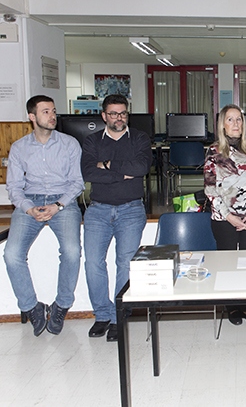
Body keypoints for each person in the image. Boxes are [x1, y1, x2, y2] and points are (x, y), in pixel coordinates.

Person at [4, 95, 84, 337]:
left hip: (63, 202)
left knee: (72, 251)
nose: (52, 116)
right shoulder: (19, 148)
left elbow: (77, 183)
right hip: (30, 202)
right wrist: (28, 208)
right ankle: (31, 307)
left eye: (53, 111)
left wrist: (58, 205)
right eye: (46, 111)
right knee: (11, 254)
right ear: (32, 116)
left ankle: (62, 305)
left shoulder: (70, 144)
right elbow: (14, 187)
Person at [81, 94, 152, 342]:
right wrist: (122, 173)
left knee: (125, 263)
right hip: (98, 211)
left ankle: (118, 317)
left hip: (131, 210)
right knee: (93, 263)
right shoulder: (92, 141)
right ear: (104, 116)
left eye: (122, 113)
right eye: (113, 114)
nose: (118, 118)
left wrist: (107, 165)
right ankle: (102, 315)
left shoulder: (140, 139)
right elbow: (88, 172)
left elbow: (141, 168)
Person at [204, 104, 246, 325]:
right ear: (222, 124)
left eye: (239, 119)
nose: (236, 123)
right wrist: (230, 217)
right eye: (230, 119)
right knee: (228, 263)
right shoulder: (213, 152)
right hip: (224, 219)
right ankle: (231, 307)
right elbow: (210, 189)